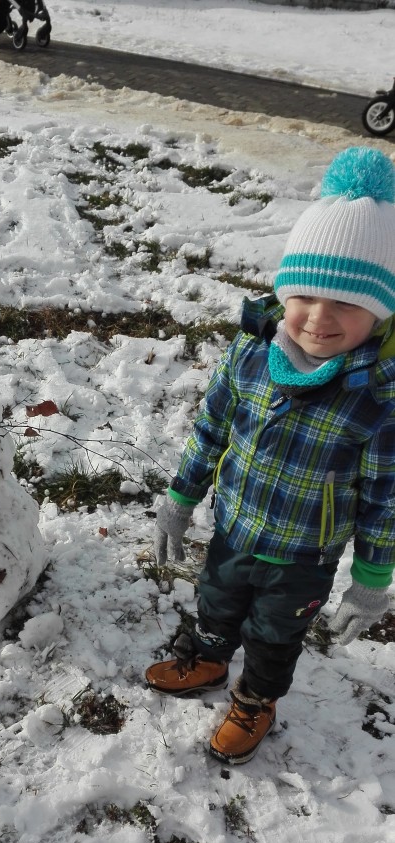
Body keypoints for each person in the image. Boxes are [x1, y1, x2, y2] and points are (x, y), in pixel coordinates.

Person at [145, 146, 395, 765]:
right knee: (216, 601)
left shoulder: (379, 397)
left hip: (303, 555)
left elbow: (385, 499)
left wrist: (370, 581)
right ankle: (205, 657)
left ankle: (255, 699)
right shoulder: (252, 353)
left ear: (381, 312)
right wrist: (181, 499)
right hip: (233, 526)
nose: (319, 318)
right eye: (306, 295)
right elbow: (211, 427)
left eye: (347, 304)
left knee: (274, 635)